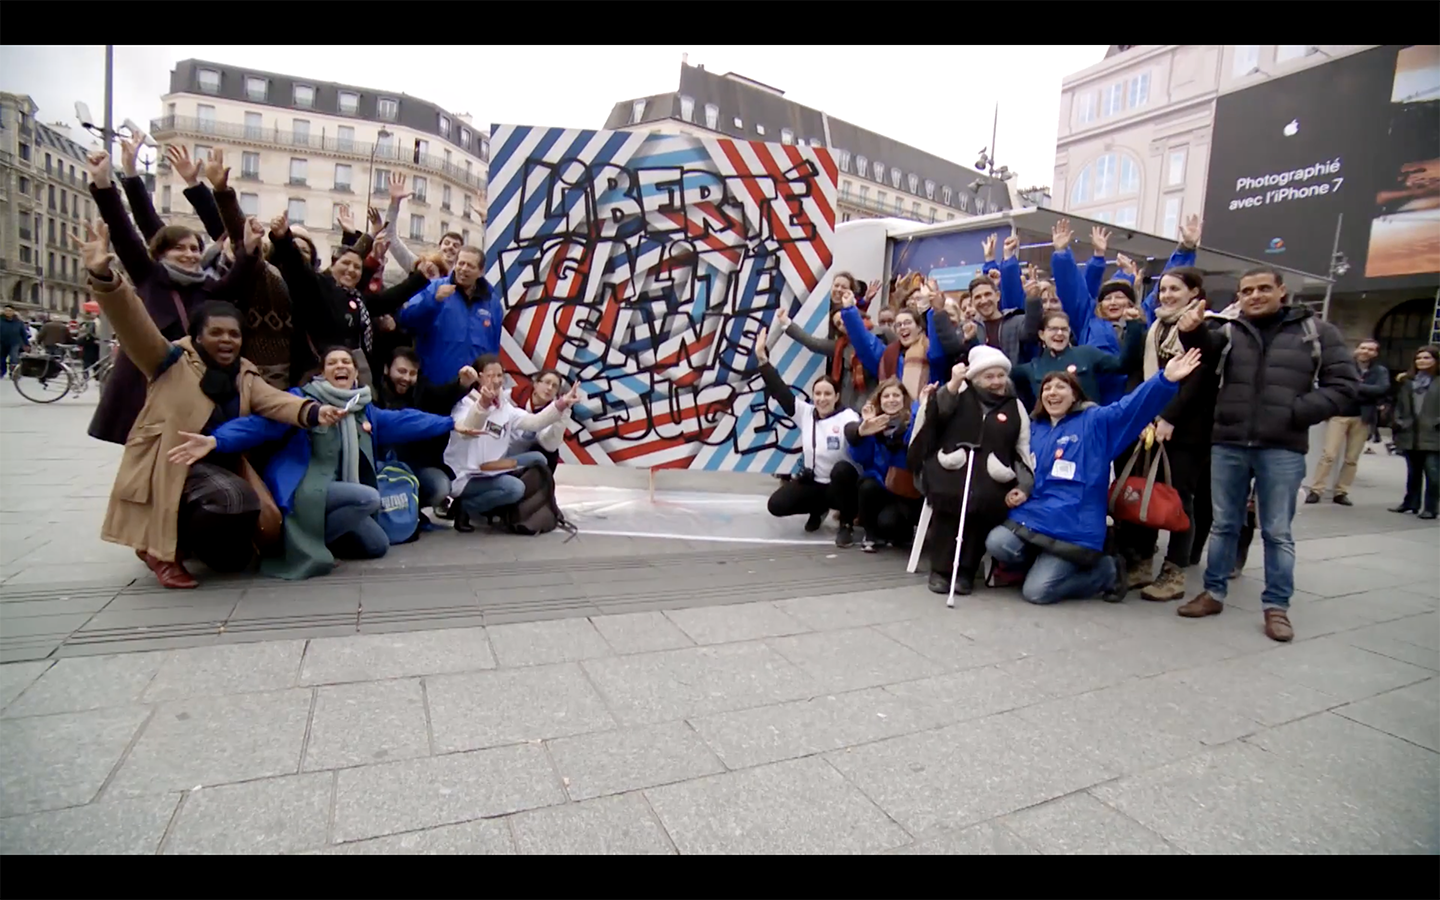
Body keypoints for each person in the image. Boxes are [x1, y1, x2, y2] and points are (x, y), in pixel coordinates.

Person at [79, 220, 339, 589]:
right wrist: (104, 276)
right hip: (169, 463)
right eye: (216, 333)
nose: (227, 340)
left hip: (216, 463)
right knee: (234, 499)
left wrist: (314, 411)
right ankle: (161, 549)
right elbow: (133, 322)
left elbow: (275, 400)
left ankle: (197, 546)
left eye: (234, 334)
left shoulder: (243, 372)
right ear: (198, 335)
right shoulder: (167, 359)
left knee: (233, 555)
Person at [176, 346, 473, 580]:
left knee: (378, 545)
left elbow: (406, 420)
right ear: (321, 373)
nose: (340, 366)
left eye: (346, 362)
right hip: (306, 489)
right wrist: (217, 440)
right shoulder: (302, 402)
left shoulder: (361, 409)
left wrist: (450, 423)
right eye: (333, 363)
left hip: (343, 492)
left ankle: (325, 539)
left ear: (356, 373)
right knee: (369, 498)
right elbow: (260, 425)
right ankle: (306, 543)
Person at [1176, 267, 1360, 642]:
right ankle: (1213, 592)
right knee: (1225, 524)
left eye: (1263, 288)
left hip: (1283, 446)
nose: (1254, 296)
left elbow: (1344, 385)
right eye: (1247, 291)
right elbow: (1204, 355)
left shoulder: (1316, 332)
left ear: (1282, 291)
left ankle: (1277, 607)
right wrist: (1191, 329)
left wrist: (1297, 412)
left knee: (1277, 531)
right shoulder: (1230, 330)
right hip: (1229, 441)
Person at [983, 348, 1205, 605]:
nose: (1052, 393)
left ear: (1075, 394)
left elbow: (1130, 408)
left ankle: (1106, 571)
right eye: (1047, 388)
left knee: (1037, 592)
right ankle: (1042, 563)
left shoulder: (1096, 422)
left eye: (1061, 387)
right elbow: (1018, 461)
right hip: (1035, 517)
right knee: (997, 542)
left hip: (1074, 525)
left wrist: (1164, 380)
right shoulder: (1033, 428)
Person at [84, 149, 262, 446]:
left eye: (194, 249)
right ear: (161, 252)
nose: (190, 254)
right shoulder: (149, 275)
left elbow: (239, 280)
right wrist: (104, 184)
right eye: (180, 248)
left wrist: (251, 249)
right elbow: (126, 231)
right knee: (148, 457)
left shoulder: (207, 287)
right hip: (149, 387)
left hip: (191, 388)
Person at [1116, 267, 1219, 601]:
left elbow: (1199, 380)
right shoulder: (1157, 327)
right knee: (1148, 490)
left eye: (1175, 289)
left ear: (1194, 292)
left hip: (1186, 428)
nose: (1167, 295)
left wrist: (1169, 417)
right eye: (1163, 290)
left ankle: (1174, 571)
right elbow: (1142, 374)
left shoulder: (1204, 327)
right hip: (1151, 422)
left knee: (1179, 498)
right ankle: (1143, 564)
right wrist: (1145, 413)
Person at [909, 346, 1033, 595]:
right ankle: (941, 570)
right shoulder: (957, 393)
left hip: (993, 473)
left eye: (1000, 375)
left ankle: (966, 569)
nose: (996, 381)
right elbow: (934, 414)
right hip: (951, 466)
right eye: (989, 377)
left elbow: (1022, 450)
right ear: (975, 378)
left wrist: (1023, 485)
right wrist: (953, 384)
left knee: (986, 500)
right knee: (950, 496)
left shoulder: (1015, 406)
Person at [751, 326, 862, 546]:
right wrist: (763, 360)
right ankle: (817, 509)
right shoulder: (806, 413)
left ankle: (846, 524)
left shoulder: (847, 415)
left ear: (837, 396)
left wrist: (861, 431)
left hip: (843, 486)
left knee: (842, 470)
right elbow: (781, 392)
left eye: (827, 394)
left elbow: (854, 431)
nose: (822, 398)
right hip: (815, 483)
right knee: (776, 505)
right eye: (818, 393)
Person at [445, 354, 581, 532]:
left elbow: (535, 422)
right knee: (515, 489)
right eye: (490, 375)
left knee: (539, 458)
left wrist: (562, 404)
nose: (496, 380)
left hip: (492, 467)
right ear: (479, 377)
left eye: (500, 375)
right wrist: (482, 406)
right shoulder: (465, 405)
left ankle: (522, 506)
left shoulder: (504, 406)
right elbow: (468, 430)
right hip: (467, 475)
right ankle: (466, 507)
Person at [374, 346, 480, 513]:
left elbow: (442, 396)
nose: (406, 378)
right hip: (379, 467)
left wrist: (462, 384)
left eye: (412, 373)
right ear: (387, 369)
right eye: (401, 371)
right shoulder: (372, 392)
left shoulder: (422, 389)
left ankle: (411, 513)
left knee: (440, 486)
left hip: (416, 466)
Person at [774, 272, 882, 412]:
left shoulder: (877, 334)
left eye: (843, 286)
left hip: (867, 398)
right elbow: (813, 343)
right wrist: (786, 323)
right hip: (845, 396)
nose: (838, 289)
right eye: (836, 285)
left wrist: (864, 301)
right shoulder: (839, 340)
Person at [398, 246, 503, 387]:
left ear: (481, 271)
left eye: (470, 266)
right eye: (461, 263)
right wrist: (433, 301)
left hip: (474, 389)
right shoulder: (433, 288)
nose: (464, 269)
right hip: (435, 385)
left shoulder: (493, 303)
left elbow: (493, 348)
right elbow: (407, 321)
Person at [1306, 338, 1391, 506]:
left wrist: (1355, 387)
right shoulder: (1346, 366)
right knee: (1328, 454)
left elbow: (1381, 389)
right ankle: (1316, 489)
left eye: (1371, 349)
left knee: (1351, 458)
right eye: (1363, 348)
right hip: (1340, 414)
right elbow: (1336, 385)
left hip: (1363, 417)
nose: (1366, 351)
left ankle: (1341, 491)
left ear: (1375, 353)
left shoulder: (1379, 371)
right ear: (1356, 349)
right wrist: (1364, 390)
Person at [844, 377, 920, 552]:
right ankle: (870, 534)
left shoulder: (911, 422)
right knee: (866, 486)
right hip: (879, 483)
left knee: (890, 526)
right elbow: (860, 458)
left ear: (903, 398)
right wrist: (864, 432)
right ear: (879, 400)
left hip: (902, 488)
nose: (891, 400)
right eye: (886, 396)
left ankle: (900, 531)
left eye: (896, 395)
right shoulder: (874, 423)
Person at [1389, 345, 1440, 519]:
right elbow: (1400, 405)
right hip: (1410, 432)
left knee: (1433, 473)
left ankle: (1431, 507)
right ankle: (1411, 503)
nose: (1422, 361)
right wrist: (1399, 422)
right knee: (1413, 472)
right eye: (1419, 358)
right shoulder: (1408, 382)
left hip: (1434, 433)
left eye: (1427, 358)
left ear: (1435, 360)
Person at [506, 368, 572, 474]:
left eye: (554, 386)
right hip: (499, 447)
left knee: (550, 455)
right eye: (547, 383)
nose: (549, 388)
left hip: (521, 456)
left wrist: (564, 413)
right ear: (536, 384)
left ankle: (537, 486)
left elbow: (550, 446)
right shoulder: (513, 395)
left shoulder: (553, 412)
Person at [0, 305, 27, 377]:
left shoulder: (18, 322)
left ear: (13, 312)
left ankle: (13, 373)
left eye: (10, 311)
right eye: (6, 310)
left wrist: (26, 344)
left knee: (14, 358)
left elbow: (23, 333)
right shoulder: (0, 320)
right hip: (2, 343)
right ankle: (2, 371)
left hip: (15, 343)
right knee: (2, 359)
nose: (8, 312)